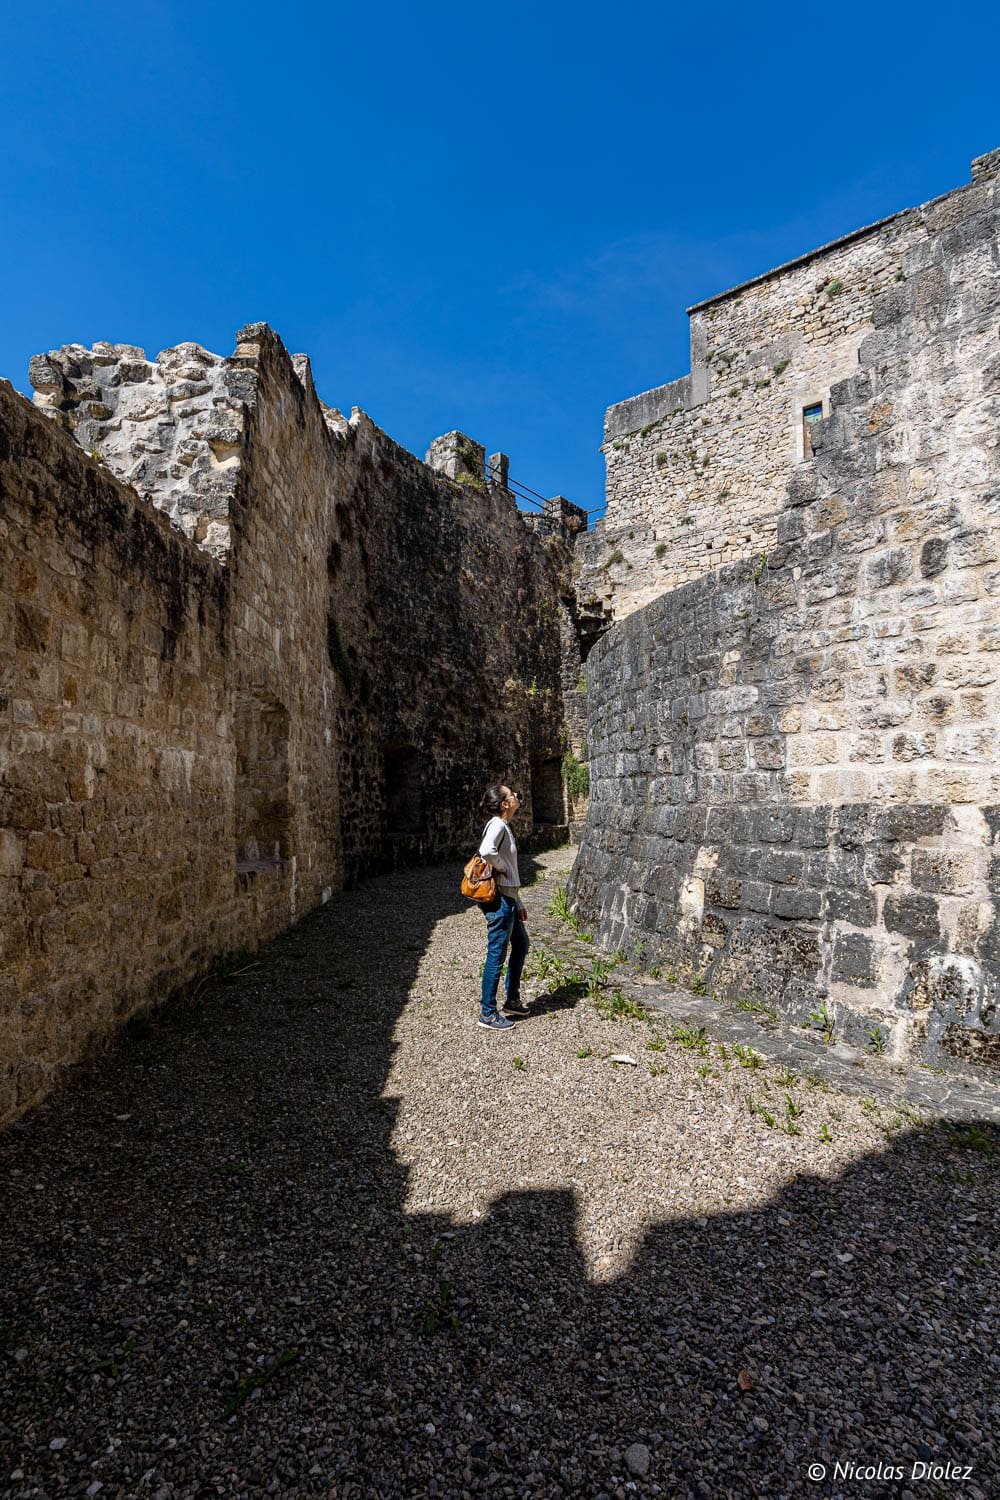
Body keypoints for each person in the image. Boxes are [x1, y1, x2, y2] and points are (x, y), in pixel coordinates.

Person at [476, 783, 530, 1030]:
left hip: (508, 899)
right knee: (496, 955)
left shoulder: (503, 825)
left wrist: (518, 901)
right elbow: (486, 851)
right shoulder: (497, 824)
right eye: (514, 795)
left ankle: (512, 1001)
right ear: (505, 803)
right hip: (500, 902)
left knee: (521, 944)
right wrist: (503, 866)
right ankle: (487, 1013)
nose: (518, 797)